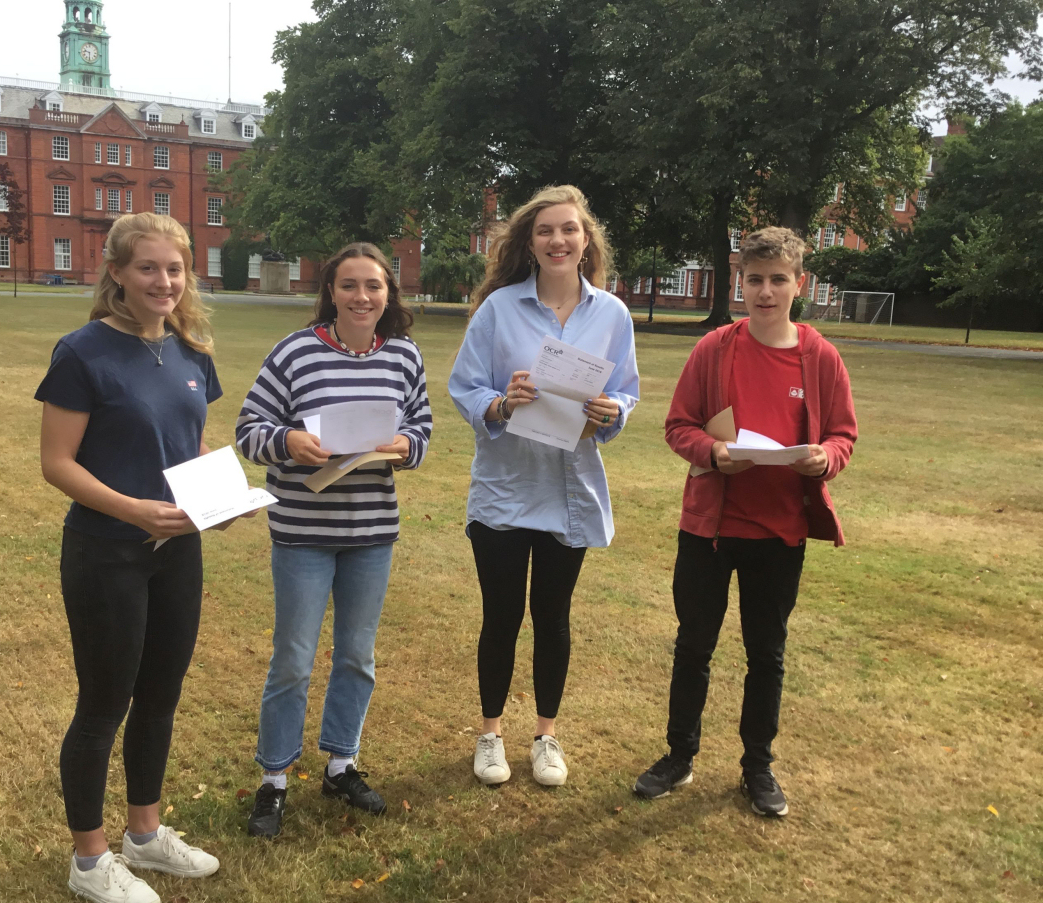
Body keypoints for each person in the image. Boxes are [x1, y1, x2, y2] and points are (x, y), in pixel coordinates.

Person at [633, 226, 858, 817]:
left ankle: (757, 769)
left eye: (777, 280)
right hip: (710, 530)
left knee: (768, 653)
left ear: (798, 285)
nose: (765, 291)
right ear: (740, 281)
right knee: (693, 646)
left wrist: (824, 458)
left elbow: (843, 434)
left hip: (779, 532)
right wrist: (711, 453)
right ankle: (679, 756)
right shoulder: (715, 349)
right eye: (754, 279)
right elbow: (679, 425)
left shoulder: (820, 357)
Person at [36, 212, 225, 903]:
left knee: (162, 696)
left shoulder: (190, 353)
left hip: (178, 552)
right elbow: (57, 464)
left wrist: (224, 496)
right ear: (116, 272)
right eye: (148, 268)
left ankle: (144, 834)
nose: (164, 281)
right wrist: (135, 510)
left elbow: (191, 447)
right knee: (103, 705)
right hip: (106, 553)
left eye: (175, 269)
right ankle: (90, 858)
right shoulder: (82, 353)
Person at [235, 241, 432, 838]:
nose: (362, 297)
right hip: (302, 531)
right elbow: (249, 431)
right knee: (293, 659)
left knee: (356, 655)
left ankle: (341, 764)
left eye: (374, 286)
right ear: (331, 292)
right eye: (350, 285)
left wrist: (403, 447)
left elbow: (421, 429)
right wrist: (289, 441)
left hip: (371, 532)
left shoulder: (403, 356)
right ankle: (274, 781)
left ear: (388, 294)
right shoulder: (296, 352)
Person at [448, 185, 640, 788]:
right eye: (545, 231)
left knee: (553, 618)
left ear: (586, 241)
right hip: (505, 491)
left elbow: (626, 390)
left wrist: (614, 412)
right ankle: (490, 734)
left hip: (570, 492)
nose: (558, 240)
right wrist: (503, 404)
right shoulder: (499, 309)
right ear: (529, 244)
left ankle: (547, 736)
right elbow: (464, 386)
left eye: (569, 230)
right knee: (500, 618)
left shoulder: (611, 314)